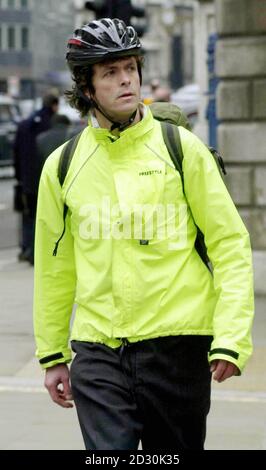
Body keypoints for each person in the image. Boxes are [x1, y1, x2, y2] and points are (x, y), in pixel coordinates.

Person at [33, 18, 254, 450]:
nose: (125, 80)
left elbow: (229, 244)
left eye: (130, 68)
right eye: (110, 72)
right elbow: (54, 266)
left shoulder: (181, 149)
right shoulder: (61, 167)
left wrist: (231, 338)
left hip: (178, 347)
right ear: (87, 86)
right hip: (98, 351)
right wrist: (53, 354)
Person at [14, 93, 59, 265]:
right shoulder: (49, 126)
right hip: (42, 177)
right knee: (44, 217)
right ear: (54, 106)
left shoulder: (24, 124)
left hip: (26, 178)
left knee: (28, 215)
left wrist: (20, 177)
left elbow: (16, 151)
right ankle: (37, 253)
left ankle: (27, 249)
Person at [36, 114, 71, 186]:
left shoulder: (40, 138)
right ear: (67, 124)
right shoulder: (73, 136)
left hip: (48, 178)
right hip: (68, 178)